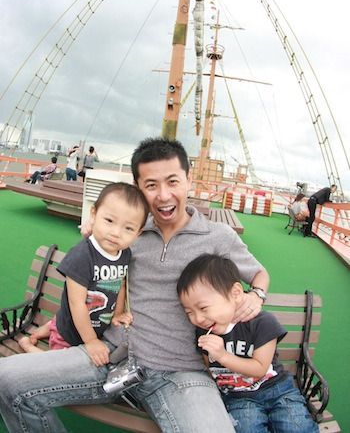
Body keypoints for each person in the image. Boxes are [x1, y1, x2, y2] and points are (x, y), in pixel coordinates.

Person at [0, 137, 269, 433]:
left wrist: (256, 295)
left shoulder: (218, 237)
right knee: (6, 380)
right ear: (139, 187)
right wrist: (92, 230)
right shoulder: (129, 231)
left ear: (189, 180)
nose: (164, 195)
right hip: (111, 355)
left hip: (181, 372)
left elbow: (259, 274)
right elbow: (96, 252)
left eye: (173, 182)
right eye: (151, 185)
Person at [177, 254, 318, 432]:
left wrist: (222, 356)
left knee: (296, 427)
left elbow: (259, 369)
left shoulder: (262, 322)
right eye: (189, 312)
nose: (198, 318)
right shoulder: (203, 332)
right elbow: (210, 369)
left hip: (277, 390)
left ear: (235, 293)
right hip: (238, 398)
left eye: (203, 308)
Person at [18, 182, 149, 366]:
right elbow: (76, 303)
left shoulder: (124, 254)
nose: (116, 233)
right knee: (58, 366)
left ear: (138, 233)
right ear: (94, 214)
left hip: (90, 323)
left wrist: (118, 313)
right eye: (109, 221)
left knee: (60, 323)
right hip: (71, 333)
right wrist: (91, 341)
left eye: (128, 228)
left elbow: (120, 285)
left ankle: (44, 330)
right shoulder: (82, 256)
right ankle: (27, 345)